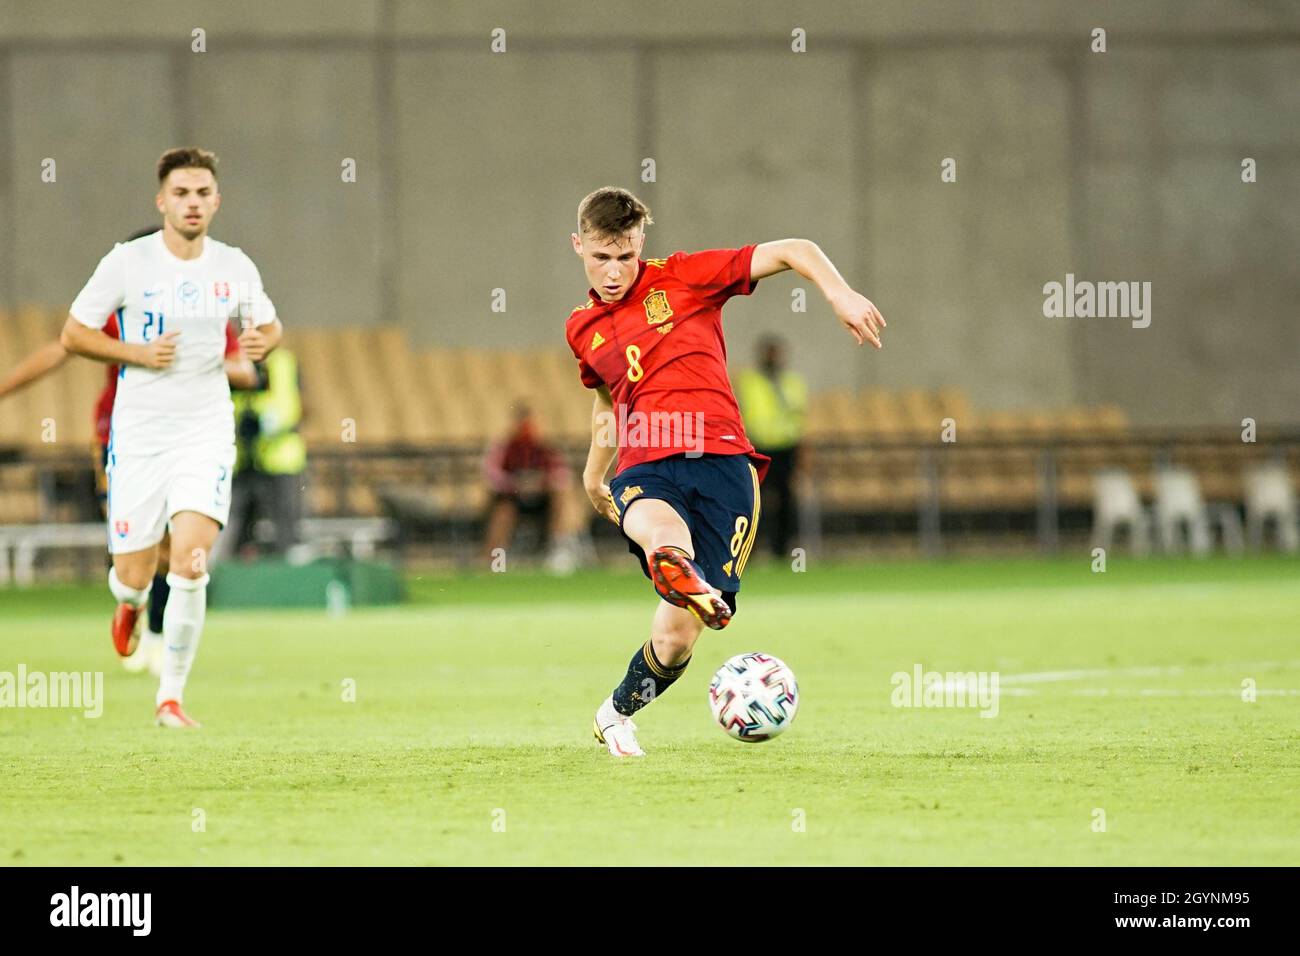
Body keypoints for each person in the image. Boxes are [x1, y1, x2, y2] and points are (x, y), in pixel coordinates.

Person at [565, 187, 885, 757]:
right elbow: (607, 402)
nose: (613, 272)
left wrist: (839, 293)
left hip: (725, 464)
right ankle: (674, 562)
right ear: (578, 246)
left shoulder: (686, 276)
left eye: (625, 257)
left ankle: (615, 713)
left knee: (678, 634)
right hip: (649, 455)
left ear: (641, 245)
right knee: (664, 532)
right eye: (599, 257)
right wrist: (595, 475)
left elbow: (793, 248)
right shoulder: (582, 328)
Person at [60, 147, 282, 728]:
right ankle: (129, 604)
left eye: (203, 193)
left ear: (216, 201)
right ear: (162, 201)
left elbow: (269, 323)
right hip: (138, 435)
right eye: (181, 193)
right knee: (135, 571)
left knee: (190, 561)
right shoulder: (127, 264)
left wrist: (264, 342)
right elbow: (73, 333)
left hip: (204, 432)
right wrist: (135, 353)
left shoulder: (234, 266)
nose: (193, 203)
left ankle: (171, 698)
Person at [0, 226, 257, 675]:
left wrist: (214, 363)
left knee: (173, 546)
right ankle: (131, 600)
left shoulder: (202, 310)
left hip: (186, 435)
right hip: (122, 435)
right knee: (139, 544)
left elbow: (246, 370)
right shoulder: (121, 310)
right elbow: (62, 347)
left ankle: (155, 634)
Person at [221, 344, 306, 559]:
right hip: (243, 459)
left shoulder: (281, 361)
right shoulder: (234, 360)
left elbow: (290, 406)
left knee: (285, 525)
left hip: (280, 460)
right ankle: (232, 573)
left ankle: (287, 574)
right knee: (236, 526)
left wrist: (265, 423)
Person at [482, 404, 580, 571]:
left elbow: (563, 475)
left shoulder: (546, 448)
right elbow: (492, 476)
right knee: (503, 513)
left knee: (563, 500)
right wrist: (517, 484)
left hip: (543, 500)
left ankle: (560, 551)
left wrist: (542, 483)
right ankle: (495, 561)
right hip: (513, 500)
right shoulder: (504, 448)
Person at [735, 336, 808, 559]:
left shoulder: (792, 382)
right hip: (757, 446)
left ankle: (781, 550)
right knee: (753, 501)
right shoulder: (748, 382)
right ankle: (751, 550)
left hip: (787, 447)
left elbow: (799, 418)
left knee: (786, 499)